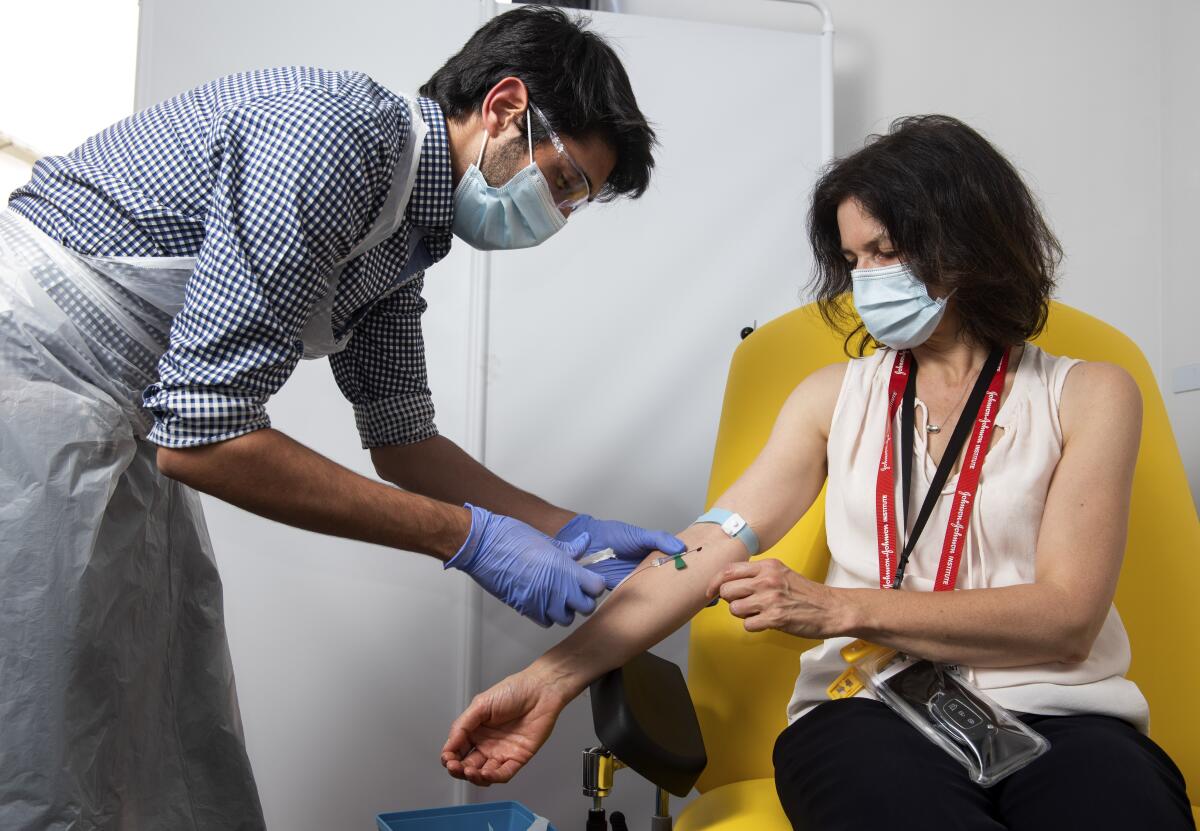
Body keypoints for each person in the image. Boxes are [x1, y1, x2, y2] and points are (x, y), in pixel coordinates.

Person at [0, 7, 684, 829]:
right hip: (31, 378)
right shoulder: (331, 138)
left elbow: (403, 440)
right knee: (36, 729)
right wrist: (465, 537)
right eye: (566, 181)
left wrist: (566, 527)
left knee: (164, 713)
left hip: (120, 412)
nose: (559, 216)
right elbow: (208, 438)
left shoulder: (408, 233)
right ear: (506, 107)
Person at [440, 115, 1195, 829]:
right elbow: (703, 549)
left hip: (1062, 713)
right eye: (853, 257)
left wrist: (843, 608)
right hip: (871, 707)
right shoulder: (834, 400)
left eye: (886, 251)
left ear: (967, 245)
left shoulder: (1088, 393)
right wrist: (549, 679)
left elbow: (1067, 619)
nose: (865, 280)